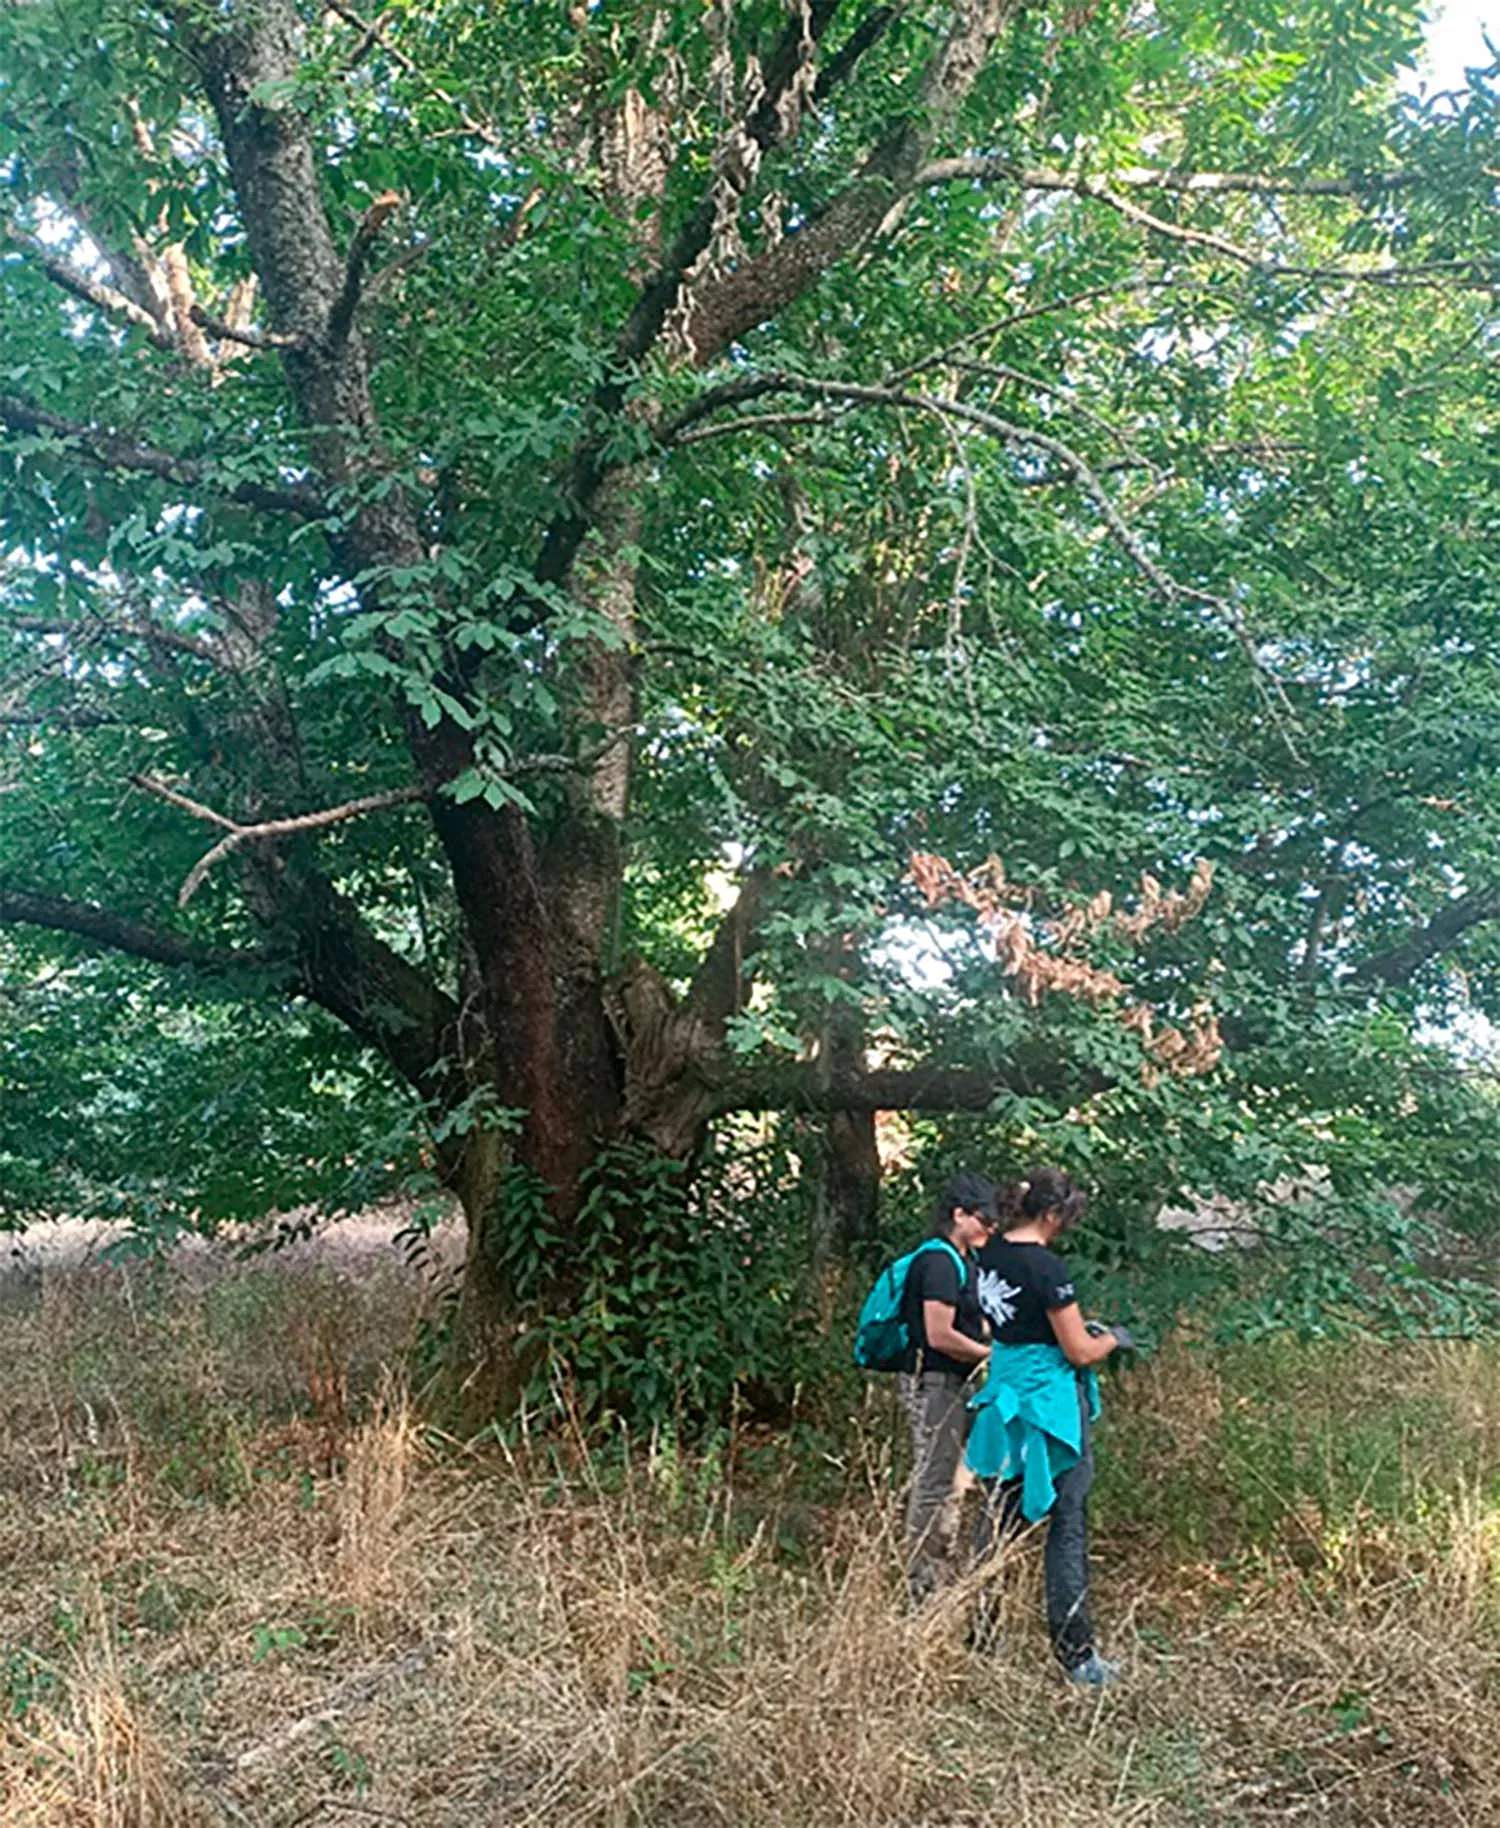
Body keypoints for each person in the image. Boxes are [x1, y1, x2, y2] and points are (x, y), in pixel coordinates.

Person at [966, 1167, 1134, 1686]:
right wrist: (1113, 1339)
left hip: (1004, 1397)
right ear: (1054, 1214)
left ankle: (979, 1635)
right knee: (1066, 1524)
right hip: (1048, 1407)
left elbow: (1005, 1325)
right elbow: (1078, 1350)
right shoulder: (1046, 1267)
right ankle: (1078, 1654)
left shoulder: (988, 1253)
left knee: (995, 1520)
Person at [899, 1170, 999, 1600]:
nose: (990, 1229)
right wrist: (986, 1355)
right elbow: (938, 1334)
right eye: (984, 1220)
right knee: (935, 1481)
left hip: (957, 1382)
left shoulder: (965, 1263)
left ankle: (939, 1573)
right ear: (959, 1214)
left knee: (958, 1482)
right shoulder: (937, 1261)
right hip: (933, 1380)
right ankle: (920, 1585)